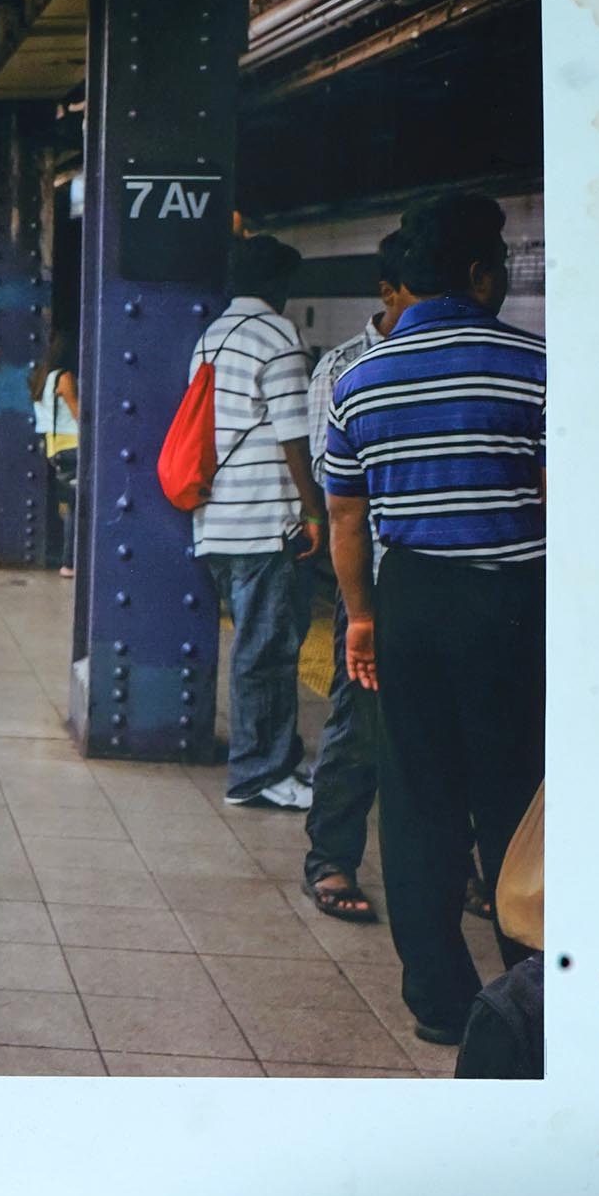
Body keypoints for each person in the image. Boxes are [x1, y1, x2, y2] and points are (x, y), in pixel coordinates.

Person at [322, 191, 545, 1045]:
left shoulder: (361, 380)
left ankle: (440, 1002)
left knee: (417, 799)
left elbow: (348, 520)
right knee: (516, 797)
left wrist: (361, 621)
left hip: (409, 597)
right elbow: (557, 506)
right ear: (483, 274)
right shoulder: (534, 366)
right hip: (513, 604)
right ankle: (525, 992)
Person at [190, 234, 328, 811]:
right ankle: (259, 774)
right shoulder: (277, 336)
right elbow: (295, 435)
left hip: (217, 517)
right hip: (263, 519)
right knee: (267, 650)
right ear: (278, 284)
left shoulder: (212, 336)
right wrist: (314, 509)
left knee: (257, 645)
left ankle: (275, 758)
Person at [297, 230, 412, 920]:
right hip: (369, 574)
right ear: (389, 292)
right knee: (359, 718)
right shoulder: (343, 368)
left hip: (449, 573)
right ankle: (333, 857)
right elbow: (332, 484)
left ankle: (461, 867)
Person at [30, 328, 80, 578]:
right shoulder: (65, 378)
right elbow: (78, 413)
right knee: (74, 506)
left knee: (70, 504)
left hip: (54, 446)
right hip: (72, 446)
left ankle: (68, 559)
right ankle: (69, 562)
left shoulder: (42, 376)